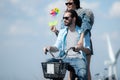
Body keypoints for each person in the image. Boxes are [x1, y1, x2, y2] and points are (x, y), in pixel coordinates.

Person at [50, 0, 94, 80]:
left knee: (86, 69)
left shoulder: (83, 12)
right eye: (66, 3)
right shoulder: (66, 15)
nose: (68, 5)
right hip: (70, 47)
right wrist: (56, 31)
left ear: (76, 3)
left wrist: (81, 41)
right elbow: (64, 36)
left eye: (70, 3)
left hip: (83, 43)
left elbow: (86, 25)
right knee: (71, 71)